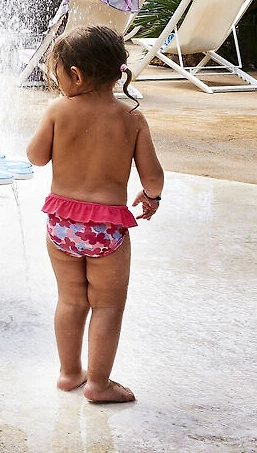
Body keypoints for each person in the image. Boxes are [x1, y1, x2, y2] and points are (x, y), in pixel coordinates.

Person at [25, 24, 164, 404]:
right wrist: (152, 198)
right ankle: (99, 385)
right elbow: (153, 176)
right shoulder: (131, 118)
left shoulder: (58, 111)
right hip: (107, 228)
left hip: (62, 224)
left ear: (75, 75)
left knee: (71, 300)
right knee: (108, 306)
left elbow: (35, 156)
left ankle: (70, 373)